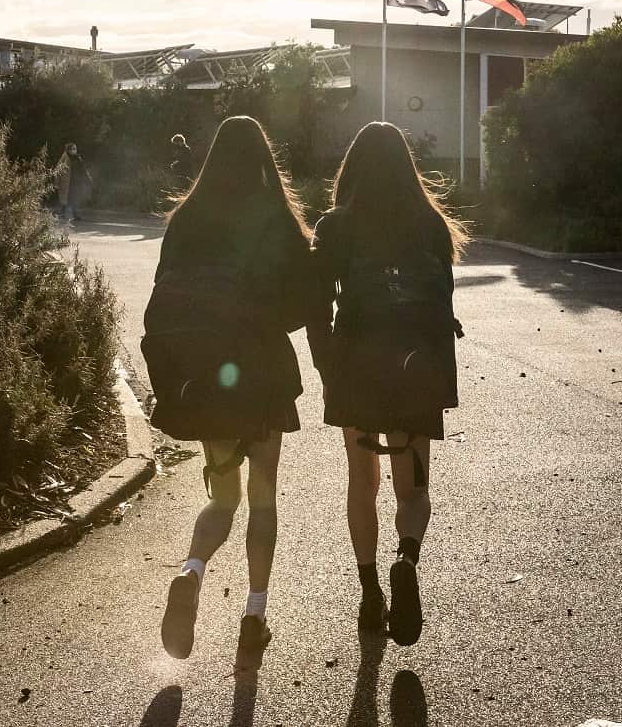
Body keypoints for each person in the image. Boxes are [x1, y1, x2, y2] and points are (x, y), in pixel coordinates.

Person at [142, 116, 328, 667]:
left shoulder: (187, 218)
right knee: (264, 499)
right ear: (264, 162)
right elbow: (303, 305)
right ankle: (254, 614)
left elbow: (165, 298)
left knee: (223, 498)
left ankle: (190, 572)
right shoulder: (275, 218)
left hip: (206, 380)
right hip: (262, 375)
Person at [312, 121, 467, 647]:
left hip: (357, 363)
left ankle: (371, 590)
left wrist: (327, 366)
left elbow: (316, 304)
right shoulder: (431, 223)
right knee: (413, 483)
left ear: (352, 169)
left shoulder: (337, 226)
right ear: (407, 167)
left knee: (363, 479)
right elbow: (442, 303)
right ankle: (407, 556)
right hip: (417, 366)